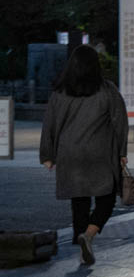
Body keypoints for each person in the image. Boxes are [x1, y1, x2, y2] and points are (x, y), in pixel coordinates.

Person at [40, 45, 129, 265]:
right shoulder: (107, 90)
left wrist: (48, 156)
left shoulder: (60, 93)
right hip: (99, 153)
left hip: (69, 154)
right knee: (106, 198)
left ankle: (83, 248)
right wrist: (122, 152)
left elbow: (49, 124)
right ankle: (88, 235)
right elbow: (120, 122)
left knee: (79, 201)